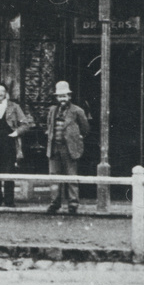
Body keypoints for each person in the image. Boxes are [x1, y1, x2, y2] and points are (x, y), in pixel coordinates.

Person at [45, 81, 90, 214]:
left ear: (69, 96)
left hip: (69, 148)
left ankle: (73, 204)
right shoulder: (53, 110)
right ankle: (54, 203)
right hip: (54, 147)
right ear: (57, 98)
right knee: (54, 177)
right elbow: (49, 125)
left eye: (64, 96)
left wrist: (75, 138)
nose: (62, 99)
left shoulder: (77, 111)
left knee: (71, 176)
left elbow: (85, 129)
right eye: (59, 97)